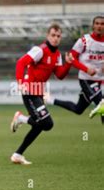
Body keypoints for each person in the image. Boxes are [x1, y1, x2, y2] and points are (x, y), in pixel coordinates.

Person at [10, 23, 73, 165]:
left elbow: (60, 75)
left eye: (58, 36)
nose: (55, 38)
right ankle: (20, 120)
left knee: (42, 124)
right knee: (47, 123)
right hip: (29, 91)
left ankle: (17, 154)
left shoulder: (57, 55)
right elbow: (21, 63)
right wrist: (20, 82)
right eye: (53, 35)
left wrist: (68, 64)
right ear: (47, 36)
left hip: (38, 92)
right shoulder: (39, 50)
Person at [44, 16, 104, 123]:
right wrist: (86, 69)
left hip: (99, 80)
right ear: (93, 26)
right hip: (86, 79)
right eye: (97, 23)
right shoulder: (84, 41)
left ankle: (51, 100)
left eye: (102, 24)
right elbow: (71, 59)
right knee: (102, 103)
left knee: (78, 109)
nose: (99, 26)